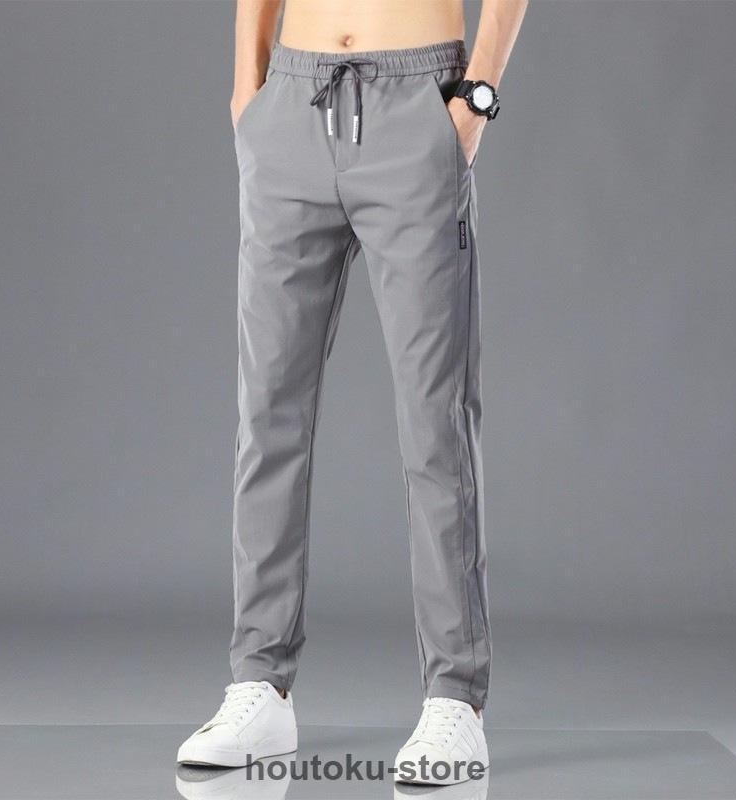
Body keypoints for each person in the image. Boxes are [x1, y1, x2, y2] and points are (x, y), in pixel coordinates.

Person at [178, 0, 527, 784]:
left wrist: (474, 100)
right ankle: (259, 682)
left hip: (417, 107)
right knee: (268, 414)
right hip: (290, 105)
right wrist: (248, 91)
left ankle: (455, 697)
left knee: (435, 420)